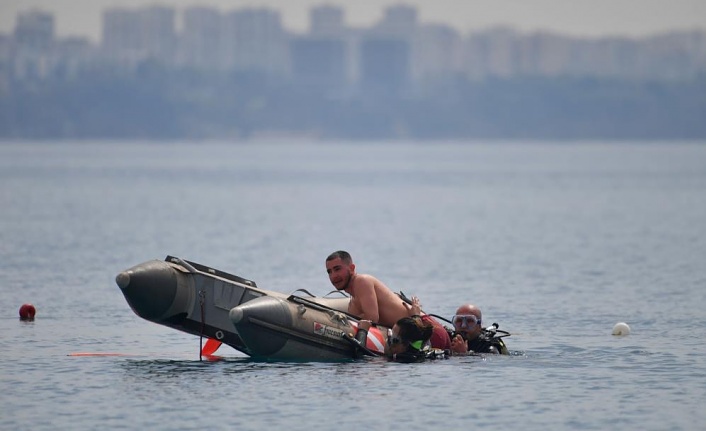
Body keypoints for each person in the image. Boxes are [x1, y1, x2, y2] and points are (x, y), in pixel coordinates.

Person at [326, 250, 451, 350]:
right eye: (329, 272)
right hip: (415, 336)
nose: (333, 276)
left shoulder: (362, 281)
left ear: (352, 268)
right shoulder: (352, 301)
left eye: (337, 269)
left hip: (427, 332)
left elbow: (372, 318)